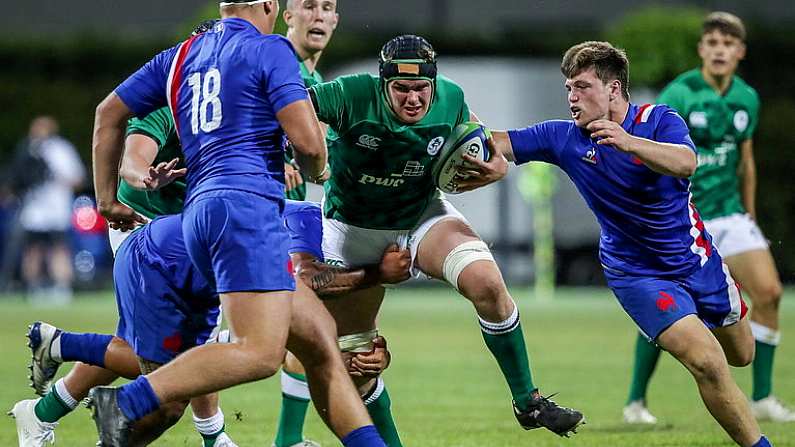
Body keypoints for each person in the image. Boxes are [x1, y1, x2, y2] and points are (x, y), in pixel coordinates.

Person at [87, 1, 385, 446]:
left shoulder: (182, 54)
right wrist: (318, 165)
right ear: (271, 6)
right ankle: (129, 400)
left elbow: (107, 112)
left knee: (319, 341)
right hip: (246, 209)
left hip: (198, 213)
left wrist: (106, 200)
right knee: (260, 354)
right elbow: (308, 142)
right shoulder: (271, 50)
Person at [460, 40, 773, 447]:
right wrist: (456, 121)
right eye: (568, 88)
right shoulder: (563, 137)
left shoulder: (659, 120)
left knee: (741, 354)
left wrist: (628, 142)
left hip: (697, 260)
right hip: (636, 274)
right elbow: (493, 141)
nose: (572, 97)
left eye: (582, 87)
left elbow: (686, 162)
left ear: (613, 89)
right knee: (708, 362)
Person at [294, 34, 584, 445]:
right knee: (358, 366)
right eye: (401, 88)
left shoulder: (452, 99)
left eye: (421, 88)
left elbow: (482, 143)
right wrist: (298, 151)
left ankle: (528, 401)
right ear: (382, 84)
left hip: (420, 214)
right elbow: (292, 111)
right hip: (351, 229)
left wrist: (497, 166)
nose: (413, 98)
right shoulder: (349, 92)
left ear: (434, 83)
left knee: (486, 282)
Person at [9, 201, 409, 447]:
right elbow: (306, 280)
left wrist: (371, 351)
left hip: (196, 271)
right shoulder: (307, 221)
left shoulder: (357, 247)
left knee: (307, 354)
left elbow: (319, 334)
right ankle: (96, 394)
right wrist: (374, 275)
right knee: (172, 400)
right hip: (160, 264)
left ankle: (59, 353)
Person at [622, 12, 792, 425]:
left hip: (730, 216)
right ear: (701, 49)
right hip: (685, 217)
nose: (719, 50)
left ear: (740, 52)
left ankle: (763, 397)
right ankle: (635, 402)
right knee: (666, 309)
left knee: (769, 293)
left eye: (727, 44)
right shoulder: (679, 94)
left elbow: (745, 161)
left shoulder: (747, 98)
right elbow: (650, 156)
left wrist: (750, 216)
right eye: (712, 43)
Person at [275, 1, 338, 446]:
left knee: (308, 335)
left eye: (328, 7)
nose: (318, 15)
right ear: (285, 15)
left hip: (294, 216)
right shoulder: (272, 63)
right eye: (308, 5)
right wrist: (270, 160)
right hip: (258, 214)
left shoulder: (314, 81)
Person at [13, 116, 85, 302]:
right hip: (34, 209)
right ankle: (33, 289)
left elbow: (78, 179)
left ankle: (62, 288)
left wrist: (56, 176)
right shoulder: (27, 149)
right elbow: (18, 178)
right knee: (33, 250)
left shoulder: (62, 149)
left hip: (57, 208)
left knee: (59, 248)